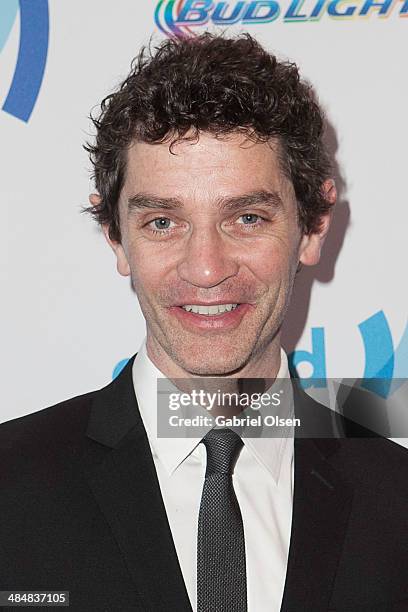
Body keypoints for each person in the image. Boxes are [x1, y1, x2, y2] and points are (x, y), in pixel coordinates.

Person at [0, 33, 407, 612]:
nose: (206, 268)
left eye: (246, 216)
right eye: (163, 222)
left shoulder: (396, 502)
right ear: (116, 237)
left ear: (313, 226)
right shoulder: (9, 488)